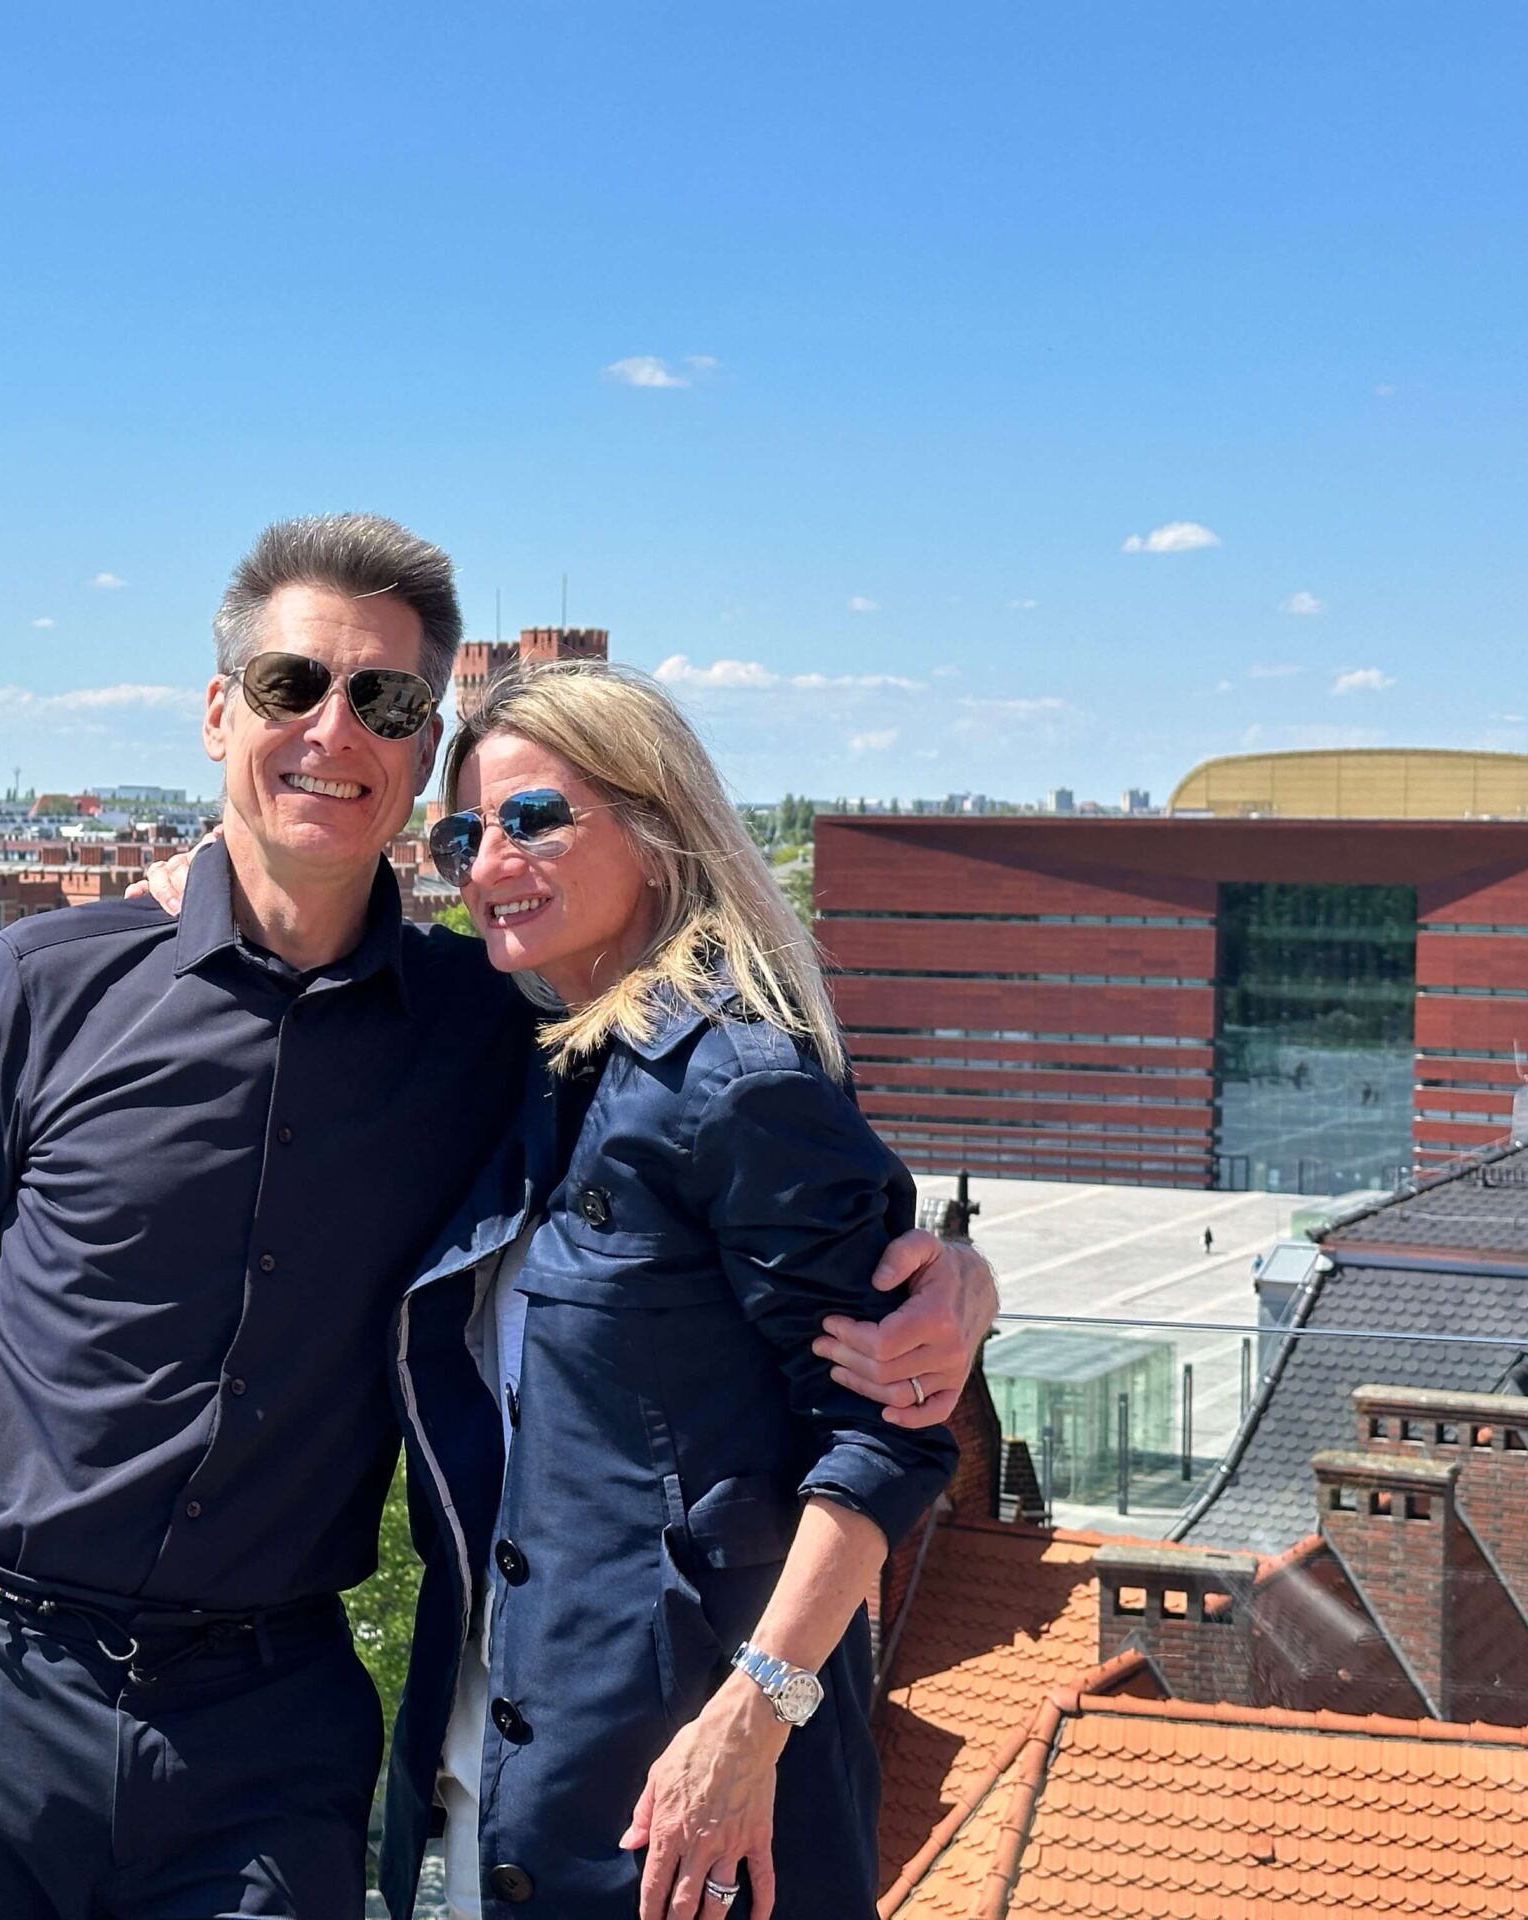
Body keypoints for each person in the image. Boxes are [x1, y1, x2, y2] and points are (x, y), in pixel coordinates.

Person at [0, 514, 997, 1920]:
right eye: (291, 686)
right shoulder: (51, 983)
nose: (334, 729)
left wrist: (955, 1274)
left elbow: (758, 1144)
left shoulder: (487, 1025)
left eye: (384, 702)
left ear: (415, 744)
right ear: (220, 714)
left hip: (260, 1730)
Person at [378, 663, 952, 1920]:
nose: (488, 865)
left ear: (653, 827)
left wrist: (752, 1720)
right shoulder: (539, 1056)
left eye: (534, 820)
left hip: (688, 1809)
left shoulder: (736, 1081)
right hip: (504, 1784)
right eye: (462, 836)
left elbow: (888, 1435)